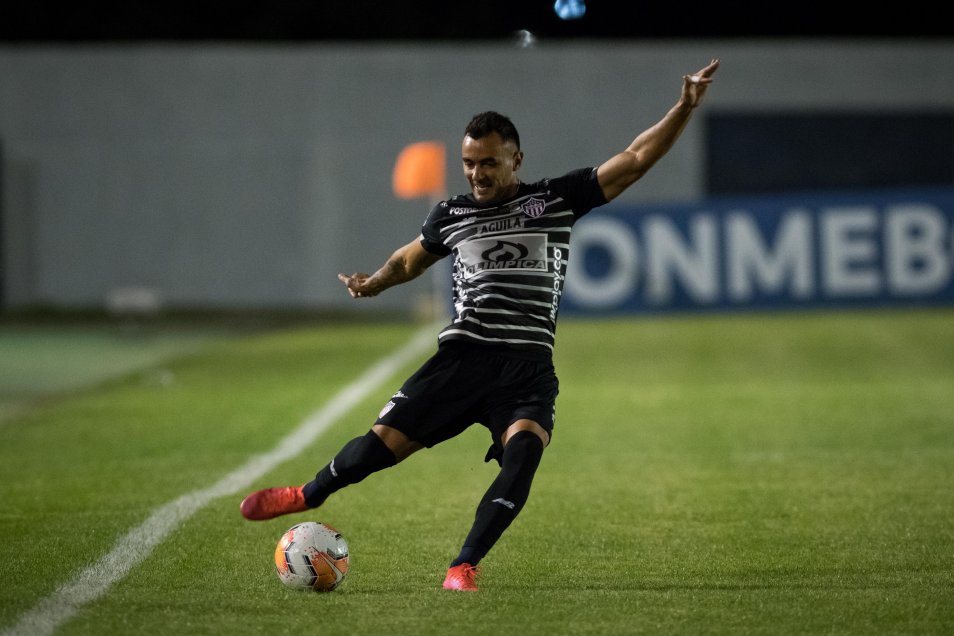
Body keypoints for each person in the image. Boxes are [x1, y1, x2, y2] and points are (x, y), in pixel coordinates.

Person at [240, 58, 720, 592]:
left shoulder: (555, 201)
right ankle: (307, 495)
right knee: (376, 451)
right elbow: (410, 260)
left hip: (527, 369)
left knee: (522, 458)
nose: (477, 174)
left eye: (488, 163)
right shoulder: (450, 215)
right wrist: (373, 282)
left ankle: (462, 566)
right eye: (469, 163)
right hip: (462, 358)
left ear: (516, 159)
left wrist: (682, 108)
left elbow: (633, 160)